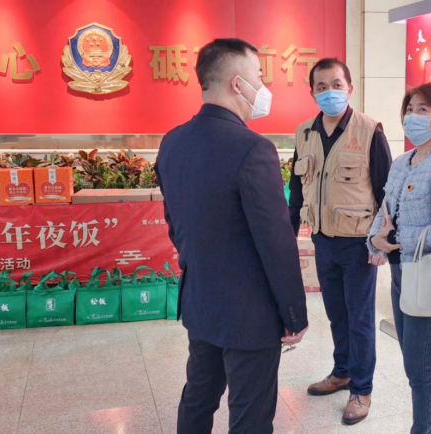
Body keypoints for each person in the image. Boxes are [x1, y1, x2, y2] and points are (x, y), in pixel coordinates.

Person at [155, 38, 309, 434]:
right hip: (250, 312)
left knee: (198, 398)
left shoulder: (172, 142)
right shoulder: (254, 149)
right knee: (250, 415)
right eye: (259, 76)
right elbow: (276, 242)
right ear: (238, 84)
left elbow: (175, 224)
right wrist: (294, 313)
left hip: (200, 299)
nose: (263, 86)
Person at [288, 58, 392, 425]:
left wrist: (382, 241)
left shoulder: (369, 131)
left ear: (350, 88)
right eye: (321, 86)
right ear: (312, 92)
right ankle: (343, 371)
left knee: (360, 317)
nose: (329, 91)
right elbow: (296, 189)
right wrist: (288, 235)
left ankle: (361, 390)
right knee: (336, 313)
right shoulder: (304, 133)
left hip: (359, 242)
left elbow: (386, 191)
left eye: (336, 84)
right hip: (322, 239)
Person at [367, 82, 431, 434]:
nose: (412, 116)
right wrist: (374, 241)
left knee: (420, 370)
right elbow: (384, 211)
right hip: (399, 273)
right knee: (412, 366)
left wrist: (393, 240)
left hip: (427, 274)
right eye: (409, 109)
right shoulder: (401, 162)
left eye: (423, 110)